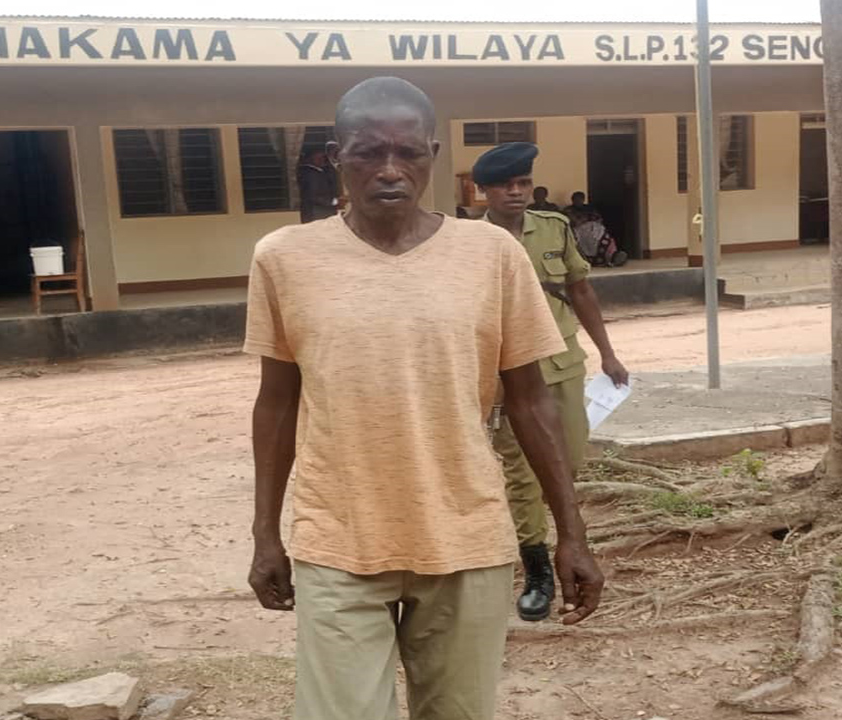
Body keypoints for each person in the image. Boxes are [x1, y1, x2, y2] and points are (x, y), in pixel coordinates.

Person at [245, 77, 603, 720]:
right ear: (337, 157)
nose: (390, 170)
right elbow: (276, 404)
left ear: (432, 155)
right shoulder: (284, 258)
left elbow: (532, 402)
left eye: (408, 152)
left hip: (465, 538)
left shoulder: (491, 254)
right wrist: (264, 534)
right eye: (368, 153)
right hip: (339, 540)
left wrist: (570, 534)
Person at [474, 142, 629, 622]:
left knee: (568, 459)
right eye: (504, 185)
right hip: (506, 373)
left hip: (561, 363)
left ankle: (568, 540)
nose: (516, 192)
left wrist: (607, 352)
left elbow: (580, 289)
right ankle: (537, 569)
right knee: (522, 472)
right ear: (484, 192)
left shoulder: (554, 227)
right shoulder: (469, 241)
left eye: (523, 183)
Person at [297, 148, 339, 224]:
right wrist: (334, 201)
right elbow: (312, 195)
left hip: (318, 211)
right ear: (310, 159)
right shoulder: (310, 174)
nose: (322, 160)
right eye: (318, 158)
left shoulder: (320, 171)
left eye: (323, 158)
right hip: (317, 212)